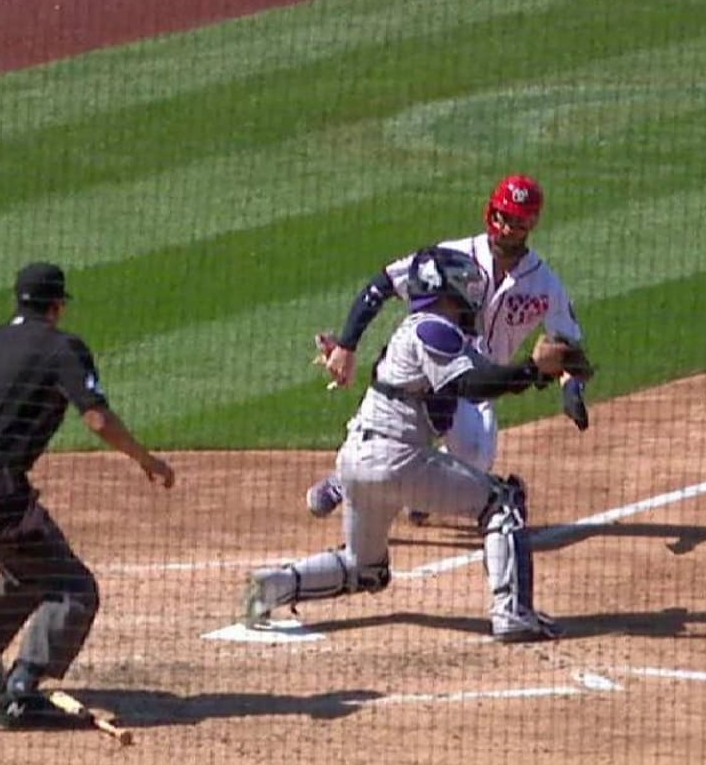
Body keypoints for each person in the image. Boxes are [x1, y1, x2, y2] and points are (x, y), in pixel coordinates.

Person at [0, 262, 175, 730]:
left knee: (27, 569)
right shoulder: (62, 348)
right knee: (75, 589)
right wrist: (147, 461)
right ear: (58, 305)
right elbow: (98, 419)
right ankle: (20, 694)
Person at [244, 247, 572, 641]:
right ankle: (512, 614)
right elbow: (472, 385)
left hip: (356, 462)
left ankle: (273, 586)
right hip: (394, 460)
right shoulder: (433, 328)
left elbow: (473, 382)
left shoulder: (421, 331)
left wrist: (532, 374)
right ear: (442, 289)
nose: (471, 295)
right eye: (463, 287)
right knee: (501, 500)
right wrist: (534, 369)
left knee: (366, 569)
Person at [307, 173, 592, 524]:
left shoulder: (544, 283)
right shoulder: (452, 256)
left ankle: (423, 490)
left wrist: (571, 386)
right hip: (428, 372)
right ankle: (344, 481)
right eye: (502, 216)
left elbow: (566, 343)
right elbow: (384, 283)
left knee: (475, 456)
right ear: (492, 213)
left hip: (481, 384)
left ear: (531, 223)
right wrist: (347, 346)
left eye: (516, 221)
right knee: (391, 430)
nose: (505, 227)